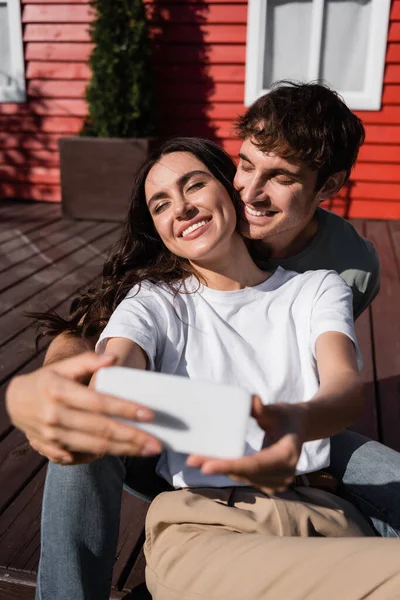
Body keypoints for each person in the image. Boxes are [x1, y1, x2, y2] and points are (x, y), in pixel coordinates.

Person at [4, 83, 399, 594]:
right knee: (91, 422)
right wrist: (60, 382)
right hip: (197, 481)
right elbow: (109, 354)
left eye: (279, 177)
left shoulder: (338, 273)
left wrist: (299, 419)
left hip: (306, 471)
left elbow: (337, 379)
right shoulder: (158, 294)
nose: (252, 191)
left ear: (327, 187)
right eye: (246, 165)